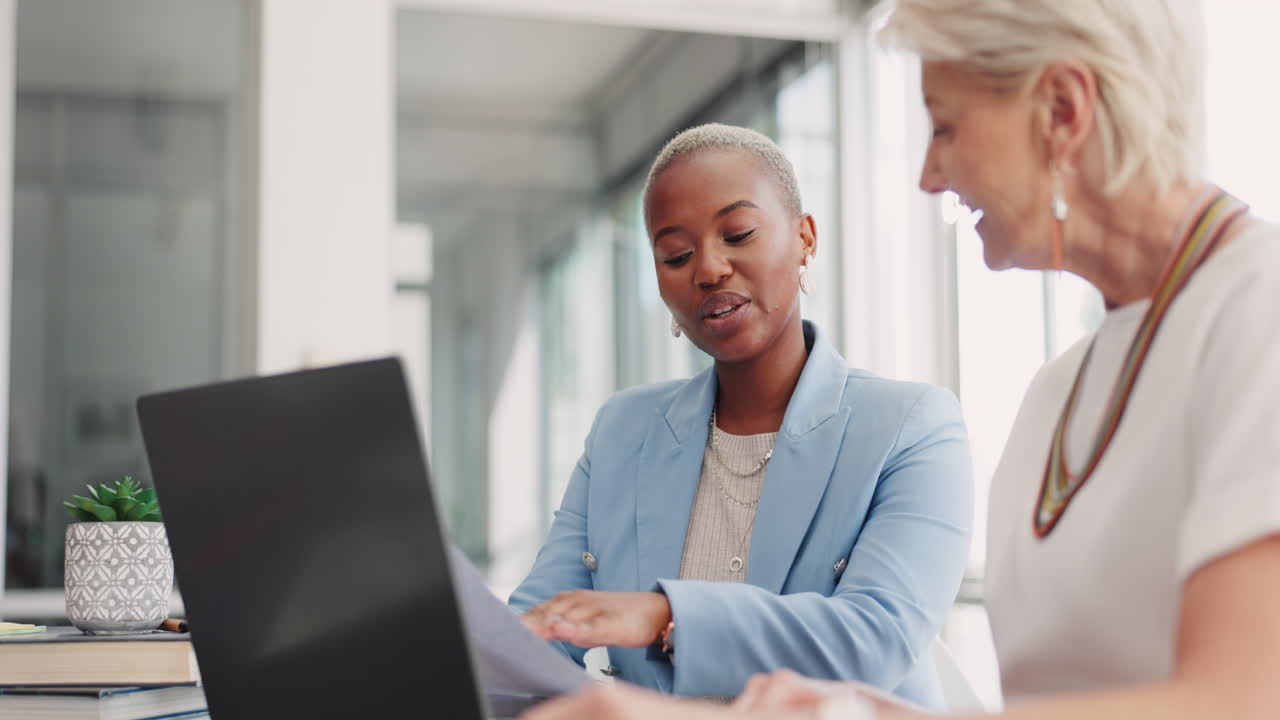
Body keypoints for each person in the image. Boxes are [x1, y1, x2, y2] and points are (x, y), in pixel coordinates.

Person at [517, 1, 1280, 719]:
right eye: (676, 253)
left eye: (945, 127)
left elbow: (1237, 703)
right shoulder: (1056, 392)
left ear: (1062, 112)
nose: (929, 174)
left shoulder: (1258, 312)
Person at [509, 123, 974, 709]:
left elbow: (874, 640)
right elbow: (536, 633)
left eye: (738, 233)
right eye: (675, 254)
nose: (708, 269)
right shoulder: (621, 431)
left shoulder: (912, 427)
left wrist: (664, 615)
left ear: (805, 238)